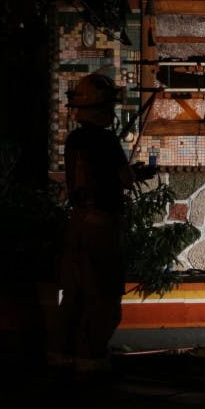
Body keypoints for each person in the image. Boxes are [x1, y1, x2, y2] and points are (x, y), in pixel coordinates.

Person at [52, 72, 135, 373]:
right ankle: (91, 360)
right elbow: (125, 178)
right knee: (103, 293)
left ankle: (63, 355)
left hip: (77, 222)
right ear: (101, 109)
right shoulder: (106, 140)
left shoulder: (75, 140)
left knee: (74, 292)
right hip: (102, 223)